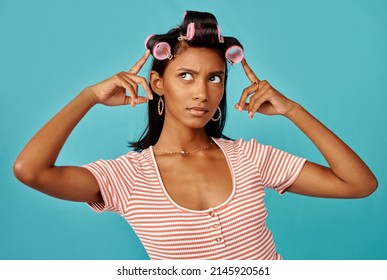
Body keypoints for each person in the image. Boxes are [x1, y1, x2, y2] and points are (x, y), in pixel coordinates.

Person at [13, 11, 377, 260]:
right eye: (185, 76)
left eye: (214, 77)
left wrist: (292, 110)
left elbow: (359, 184)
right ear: (158, 83)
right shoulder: (126, 178)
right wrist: (88, 96)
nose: (201, 92)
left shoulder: (250, 157)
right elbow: (30, 170)